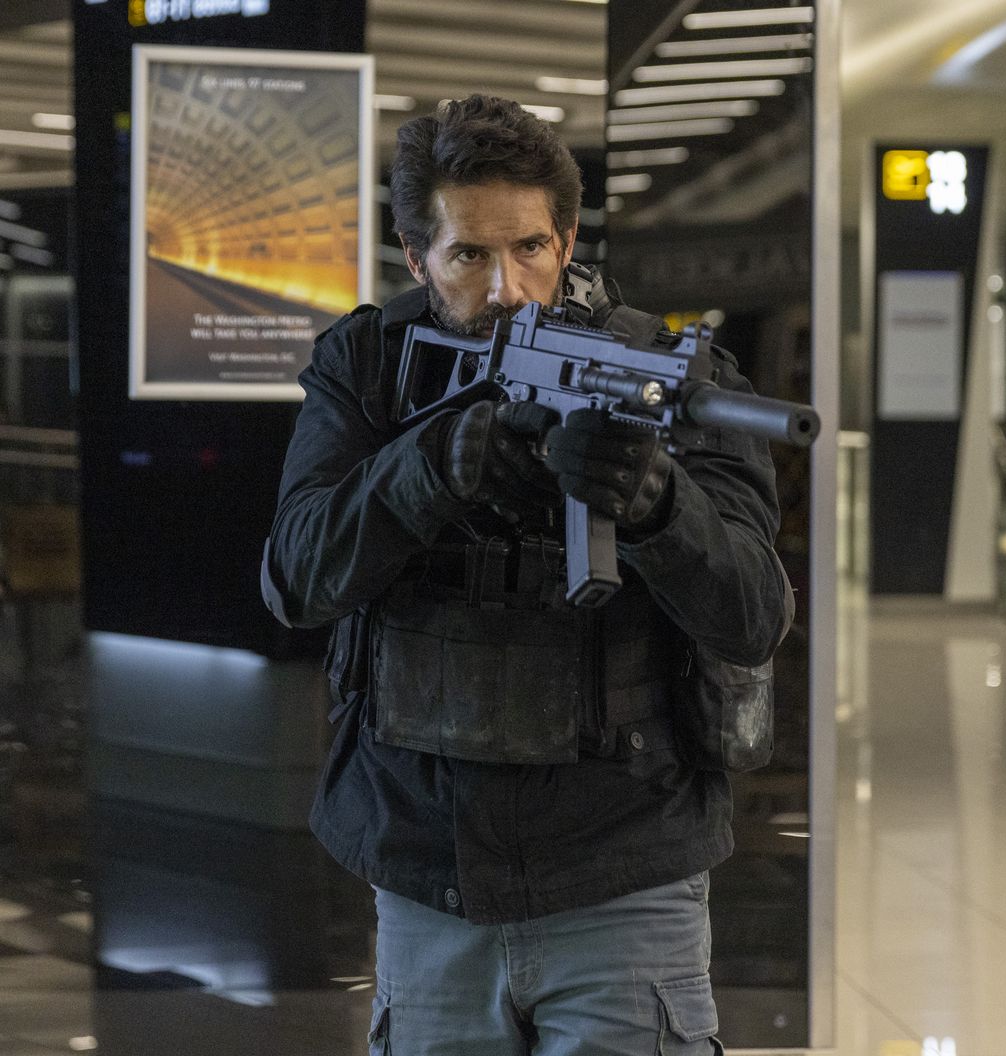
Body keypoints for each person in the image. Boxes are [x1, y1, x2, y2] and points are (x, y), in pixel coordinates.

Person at [260, 95, 792, 1055]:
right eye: (469, 255)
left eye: (531, 248)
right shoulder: (370, 368)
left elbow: (754, 615)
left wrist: (656, 506)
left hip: (626, 870)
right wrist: (433, 465)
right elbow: (295, 580)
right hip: (429, 872)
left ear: (568, 239)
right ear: (416, 257)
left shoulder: (672, 373)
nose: (508, 288)